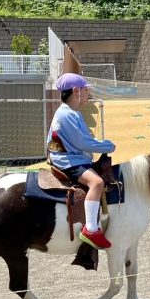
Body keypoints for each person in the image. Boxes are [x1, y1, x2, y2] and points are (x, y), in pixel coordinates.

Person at [47, 73, 116, 250]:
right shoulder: (67, 114)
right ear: (76, 91)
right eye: (86, 90)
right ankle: (91, 229)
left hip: (74, 157)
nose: (88, 93)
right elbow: (82, 142)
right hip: (69, 161)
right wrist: (106, 146)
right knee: (97, 182)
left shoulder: (71, 113)